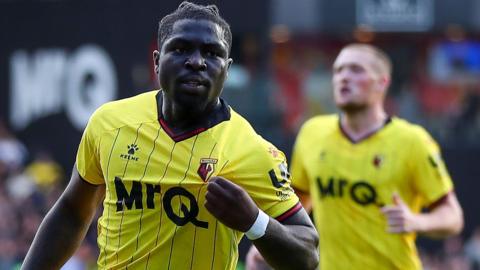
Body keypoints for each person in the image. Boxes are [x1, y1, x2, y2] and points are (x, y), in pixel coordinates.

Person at [21, 2, 319, 270]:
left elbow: (307, 255)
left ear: (226, 70)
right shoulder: (109, 124)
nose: (197, 61)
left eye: (212, 53)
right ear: (156, 60)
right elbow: (73, 212)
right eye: (181, 49)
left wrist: (254, 222)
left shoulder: (252, 151)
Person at [247, 43, 464, 270]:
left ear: (382, 82)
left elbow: (453, 216)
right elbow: (298, 202)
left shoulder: (413, 141)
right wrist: (272, 239)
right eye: (338, 70)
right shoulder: (312, 133)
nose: (344, 77)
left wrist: (417, 221)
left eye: (356, 70)